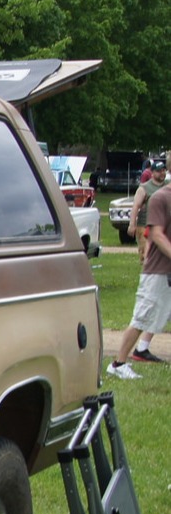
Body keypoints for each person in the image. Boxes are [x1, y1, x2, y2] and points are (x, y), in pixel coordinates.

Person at [109, 157, 171, 378]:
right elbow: (155, 234)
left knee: (160, 315)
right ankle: (118, 364)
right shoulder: (160, 197)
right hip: (156, 270)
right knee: (141, 317)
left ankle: (142, 349)